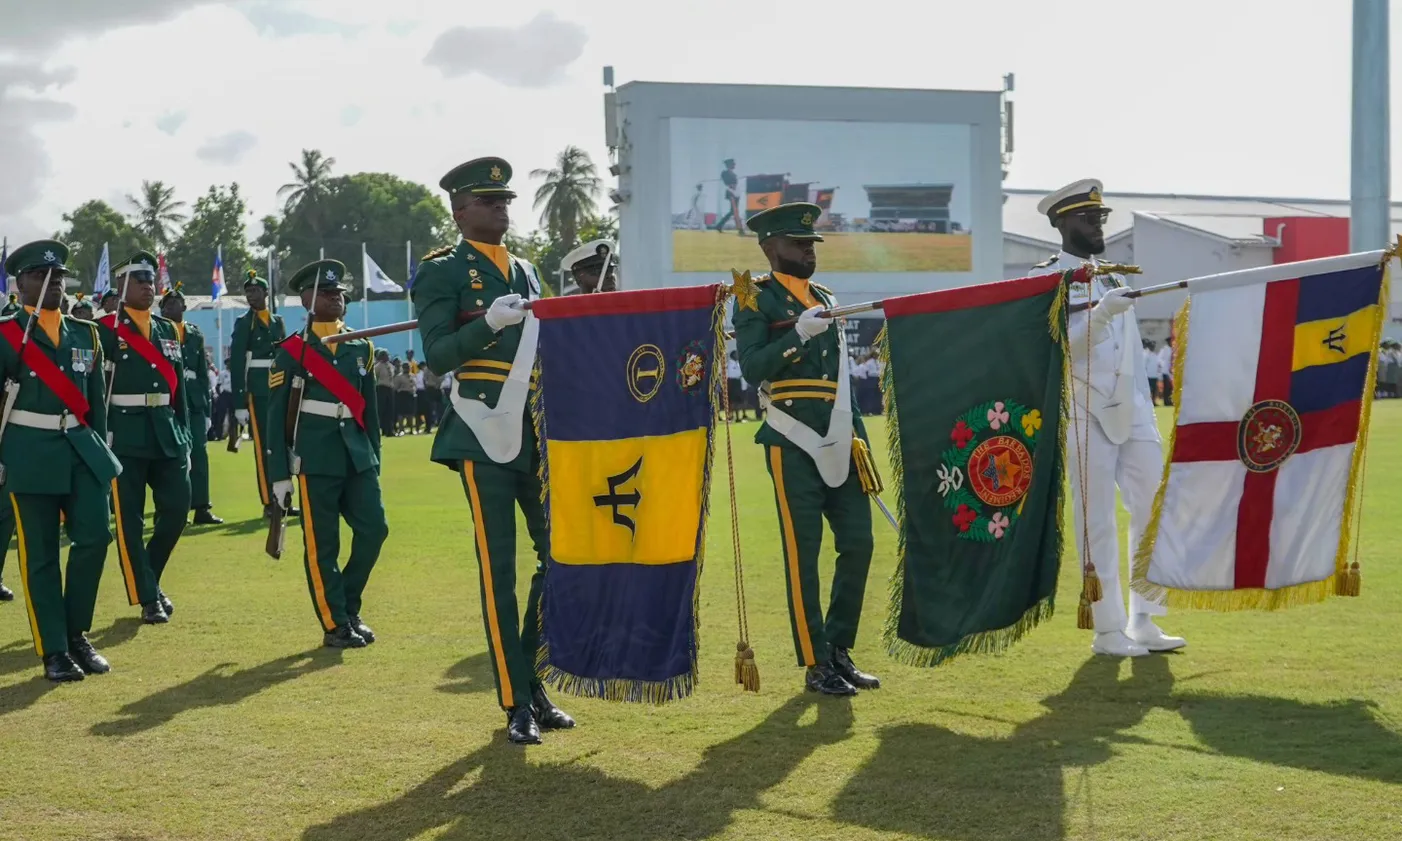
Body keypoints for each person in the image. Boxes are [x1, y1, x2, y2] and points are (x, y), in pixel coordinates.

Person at [413, 156, 573, 745]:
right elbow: (437, 354)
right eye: (488, 200)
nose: (502, 207)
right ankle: (516, 700)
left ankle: (531, 678)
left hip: (536, 430)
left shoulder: (528, 271)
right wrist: (487, 325)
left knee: (559, 557)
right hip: (482, 430)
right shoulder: (441, 272)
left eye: (505, 199)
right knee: (498, 568)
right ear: (459, 210)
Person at [732, 202, 881, 697]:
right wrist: (797, 334)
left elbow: (841, 382)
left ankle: (839, 648)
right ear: (770, 247)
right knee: (804, 554)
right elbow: (753, 367)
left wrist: (859, 439)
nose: (807, 251)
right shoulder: (754, 296)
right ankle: (816, 662)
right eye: (797, 243)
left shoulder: (826, 296)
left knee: (859, 544)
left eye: (811, 243)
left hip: (840, 433)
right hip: (791, 438)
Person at [1031, 179, 1185, 657]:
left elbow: (1134, 357)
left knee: (1151, 511)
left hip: (1131, 409)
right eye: (1087, 218)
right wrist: (1096, 317)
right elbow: (1052, 346)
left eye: (1100, 217)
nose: (1098, 225)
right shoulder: (1048, 278)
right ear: (1062, 222)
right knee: (1095, 519)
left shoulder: (1115, 277)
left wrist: (1145, 408)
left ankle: (1145, 617)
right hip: (1082, 410)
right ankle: (1107, 628)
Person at [0, 240, 120, 680]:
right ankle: (53, 649)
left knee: (94, 540)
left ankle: (76, 633)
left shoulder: (85, 333)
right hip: (29, 454)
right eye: (40, 275)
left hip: (81, 451)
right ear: (21, 283)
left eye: (58, 276)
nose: (53, 283)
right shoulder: (5, 334)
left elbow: (96, 405)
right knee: (42, 556)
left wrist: (102, 451)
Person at [266, 259, 388, 649]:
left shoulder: (361, 345)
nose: (336, 297)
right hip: (315, 458)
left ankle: (348, 605)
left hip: (357, 454)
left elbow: (368, 410)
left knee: (375, 530)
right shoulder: (290, 351)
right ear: (306, 300)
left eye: (338, 292)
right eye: (326, 292)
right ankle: (336, 623)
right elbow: (275, 419)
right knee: (324, 546)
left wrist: (375, 457)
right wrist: (279, 474)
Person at [95, 250, 192, 626]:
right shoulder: (104, 330)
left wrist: (184, 432)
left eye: (151, 281)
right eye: (139, 281)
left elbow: (178, 386)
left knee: (176, 512)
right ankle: (147, 596)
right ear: (120, 286)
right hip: (124, 434)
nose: (148, 287)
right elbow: (97, 389)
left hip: (166, 432)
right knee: (130, 521)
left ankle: (148, 578)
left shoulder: (168, 329)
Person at [161, 282, 222, 525]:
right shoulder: (159, 331)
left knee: (199, 455)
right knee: (171, 458)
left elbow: (203, 373)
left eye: (174, 303)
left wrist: (207, 410)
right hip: (171, 400)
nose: (169, 308)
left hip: (194, 402)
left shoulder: (195, 334)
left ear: (184, 307)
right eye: (165, 305)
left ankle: (201, 507)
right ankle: (173, 509)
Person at [230, 270, 289, 520]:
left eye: (255, 291)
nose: (251, 295)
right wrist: (239, 401)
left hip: (279, 388)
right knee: (265, 447)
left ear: (266, 293)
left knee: (282, 444)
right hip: (258, 392)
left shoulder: (277, 322)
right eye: (248, 292)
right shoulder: (244, 323)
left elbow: (286, 355)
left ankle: (284, 497)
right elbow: (236, 362)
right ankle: (268, 500)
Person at [712, 158, 742, 234]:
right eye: (733, 164)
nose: (734, 165)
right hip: (730, 192)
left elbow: (736, 184)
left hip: (736, 192)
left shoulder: (734, 174)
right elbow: (726, 183)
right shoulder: (724, 173)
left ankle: (719, 225)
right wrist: (732, 186)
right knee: (735, 211)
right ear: (729, 165)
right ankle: (740, 229)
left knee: (733, 211)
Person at [373, 349, 395, 438]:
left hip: (390, 388)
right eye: (385, 355)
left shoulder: (390, 366)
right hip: (381, 388)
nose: (387, 357)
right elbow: (375, 378)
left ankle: (389, 430)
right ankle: (378, 430)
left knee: (390, 410)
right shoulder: (377, 366)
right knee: (381, 410)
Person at [214, 356, 235, 440]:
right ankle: (219, 435)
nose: (229, 365)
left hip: (233, 395)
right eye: (228, 363)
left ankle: (233, 435)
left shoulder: (235, 373)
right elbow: (218, 385)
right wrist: (220, 394)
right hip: (225, 394)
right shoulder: (223, 373)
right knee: (221, 415)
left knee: (233, 416)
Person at [393, 359, 416, 434]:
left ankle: (411, 429)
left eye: (408, 367)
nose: (407, 368)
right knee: (401, 413)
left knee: (410, 413)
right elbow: (395, 387)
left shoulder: (412, 376)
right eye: (406, 367)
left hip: (410, 395)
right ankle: (401, 429)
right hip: (402, 395)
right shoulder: (399, 377)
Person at [1142, 340, 1162, 406]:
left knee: (1154, 390)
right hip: (1148, 375)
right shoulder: (1146, 354)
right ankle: (1147, 402)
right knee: (1149, 390)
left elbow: (1158, 365)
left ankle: (1153, 402)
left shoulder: (1155, 355)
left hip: (1154, 375)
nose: (1153, 347)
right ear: (1149, 346)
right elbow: (1144, 365)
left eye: (1153, 346)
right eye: (1151, 346)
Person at [1158, 337, 1175, 407]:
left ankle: (1171, 401)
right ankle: (1166, 401)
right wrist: (1163, 364)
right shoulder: (1164, 349)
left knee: (1171, 388)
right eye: (1169, 342)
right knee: (1166, 388)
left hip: (1172, 372)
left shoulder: (1174, 349)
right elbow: (1159, 359)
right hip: (1165, 371)